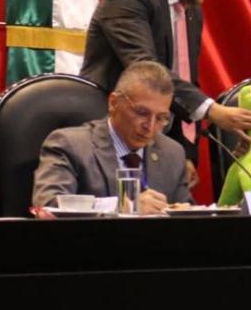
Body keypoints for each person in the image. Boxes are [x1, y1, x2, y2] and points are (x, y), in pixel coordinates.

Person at [80, 0, 251, 186]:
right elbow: (147, 71)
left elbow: (184, 80)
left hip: (156, 145)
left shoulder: (192, 10)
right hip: (108, 145)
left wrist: (184, 152)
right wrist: (212, 111)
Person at [32, 61, 192, 215]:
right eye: (142, 113)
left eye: (161, 118)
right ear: (114, 103)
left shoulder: (172, 153)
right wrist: (124, 207)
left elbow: (186, 212)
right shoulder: (69, 146)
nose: (150, 127)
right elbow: (48, 206)